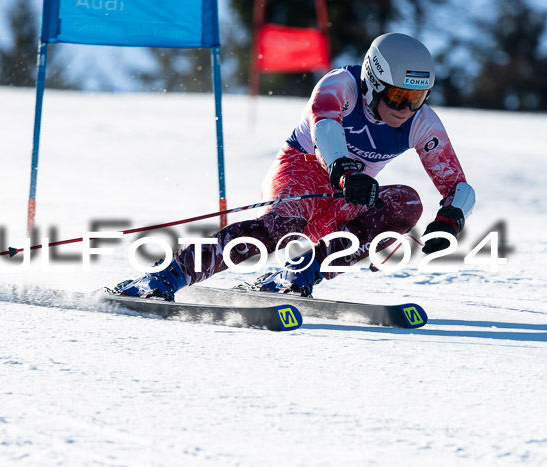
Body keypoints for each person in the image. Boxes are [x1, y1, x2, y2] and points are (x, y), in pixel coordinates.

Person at [114, 32, 475, 300]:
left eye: (417, 98)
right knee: (280, 228)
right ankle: (167, 275)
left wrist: (450, 219)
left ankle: (304, 270)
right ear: (374, 82)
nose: (406, 109)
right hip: (302, 171)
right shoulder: (339, 86)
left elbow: (458, 186)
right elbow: (326, 132)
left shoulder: (421, 122)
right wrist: (346, 172)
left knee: (407, 202)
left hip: (346, 193)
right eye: (398, 96)